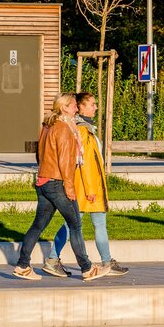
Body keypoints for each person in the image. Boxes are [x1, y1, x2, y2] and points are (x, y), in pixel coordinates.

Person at [13, 93, 111, 281]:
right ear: (64, 107)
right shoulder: (65, 128)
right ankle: (87, 268)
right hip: (58, 183)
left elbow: (39, 153)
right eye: (74, 105)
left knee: (38, 225)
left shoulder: (47, 125)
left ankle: (22, 265)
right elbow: (66, 162)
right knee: (76, 226)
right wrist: (69, 187)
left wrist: (44, 173)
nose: (76, 108)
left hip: (43, 181)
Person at [43, 92, 128, 277]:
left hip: (89, 186)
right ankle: (54, 259)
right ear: (80, 107)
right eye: (91, 104)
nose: (95, 107)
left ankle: (54, 259)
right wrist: (91, 190)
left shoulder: (84, 127)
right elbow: (86, 163)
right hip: (87, 188)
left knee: (81, 224)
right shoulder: (83, 129)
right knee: (74, 224)